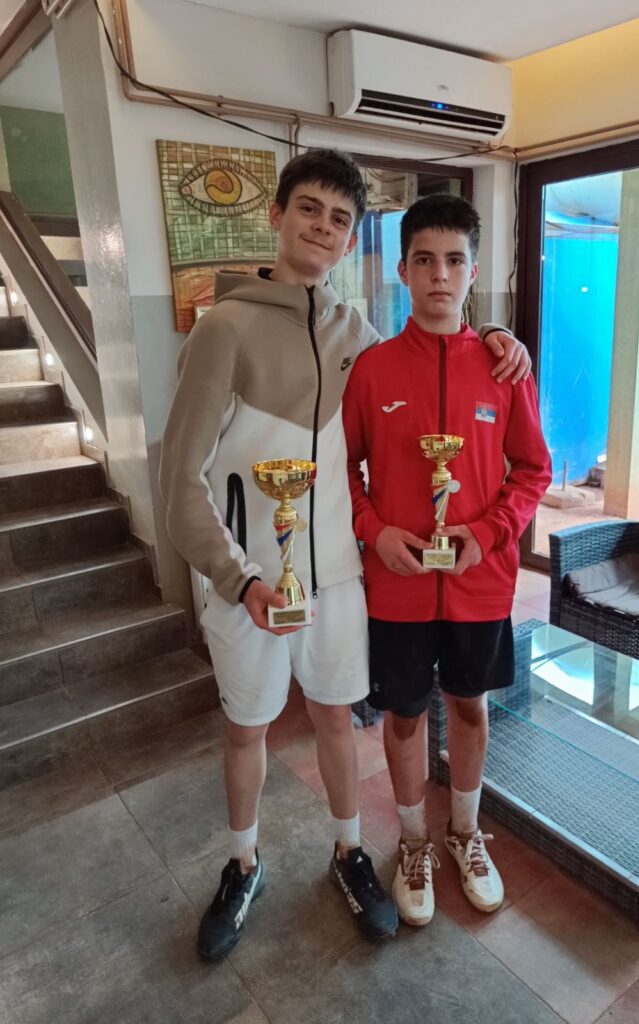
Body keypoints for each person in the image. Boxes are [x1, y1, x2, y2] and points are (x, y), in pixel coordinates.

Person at [160, 149, 532, 960]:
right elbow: (178, 481)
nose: (323, 228)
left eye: (340, 217)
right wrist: (238, 579)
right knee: (247, 730)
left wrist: (498, 337)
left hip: (338, 582)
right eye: (309, 209)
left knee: (338, 719)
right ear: (277, 215)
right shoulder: (222, 329)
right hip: (249, 584)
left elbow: (438, 346)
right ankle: (242, 864)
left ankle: (350, 852)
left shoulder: (354, 337)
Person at [343, 193, 551, 928]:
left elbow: (534, 470)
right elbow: (342, 472)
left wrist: (489, 534)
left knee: (469, 705)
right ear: (401, 271)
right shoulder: (372, 371)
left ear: (474, 272)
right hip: (397, 587)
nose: (440, 275)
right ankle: (413, 841)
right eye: (425, 260)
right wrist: (374, 532)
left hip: (478, 583)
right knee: (403, 715)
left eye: (455, 260)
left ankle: (465, 832)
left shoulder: (504, 369)